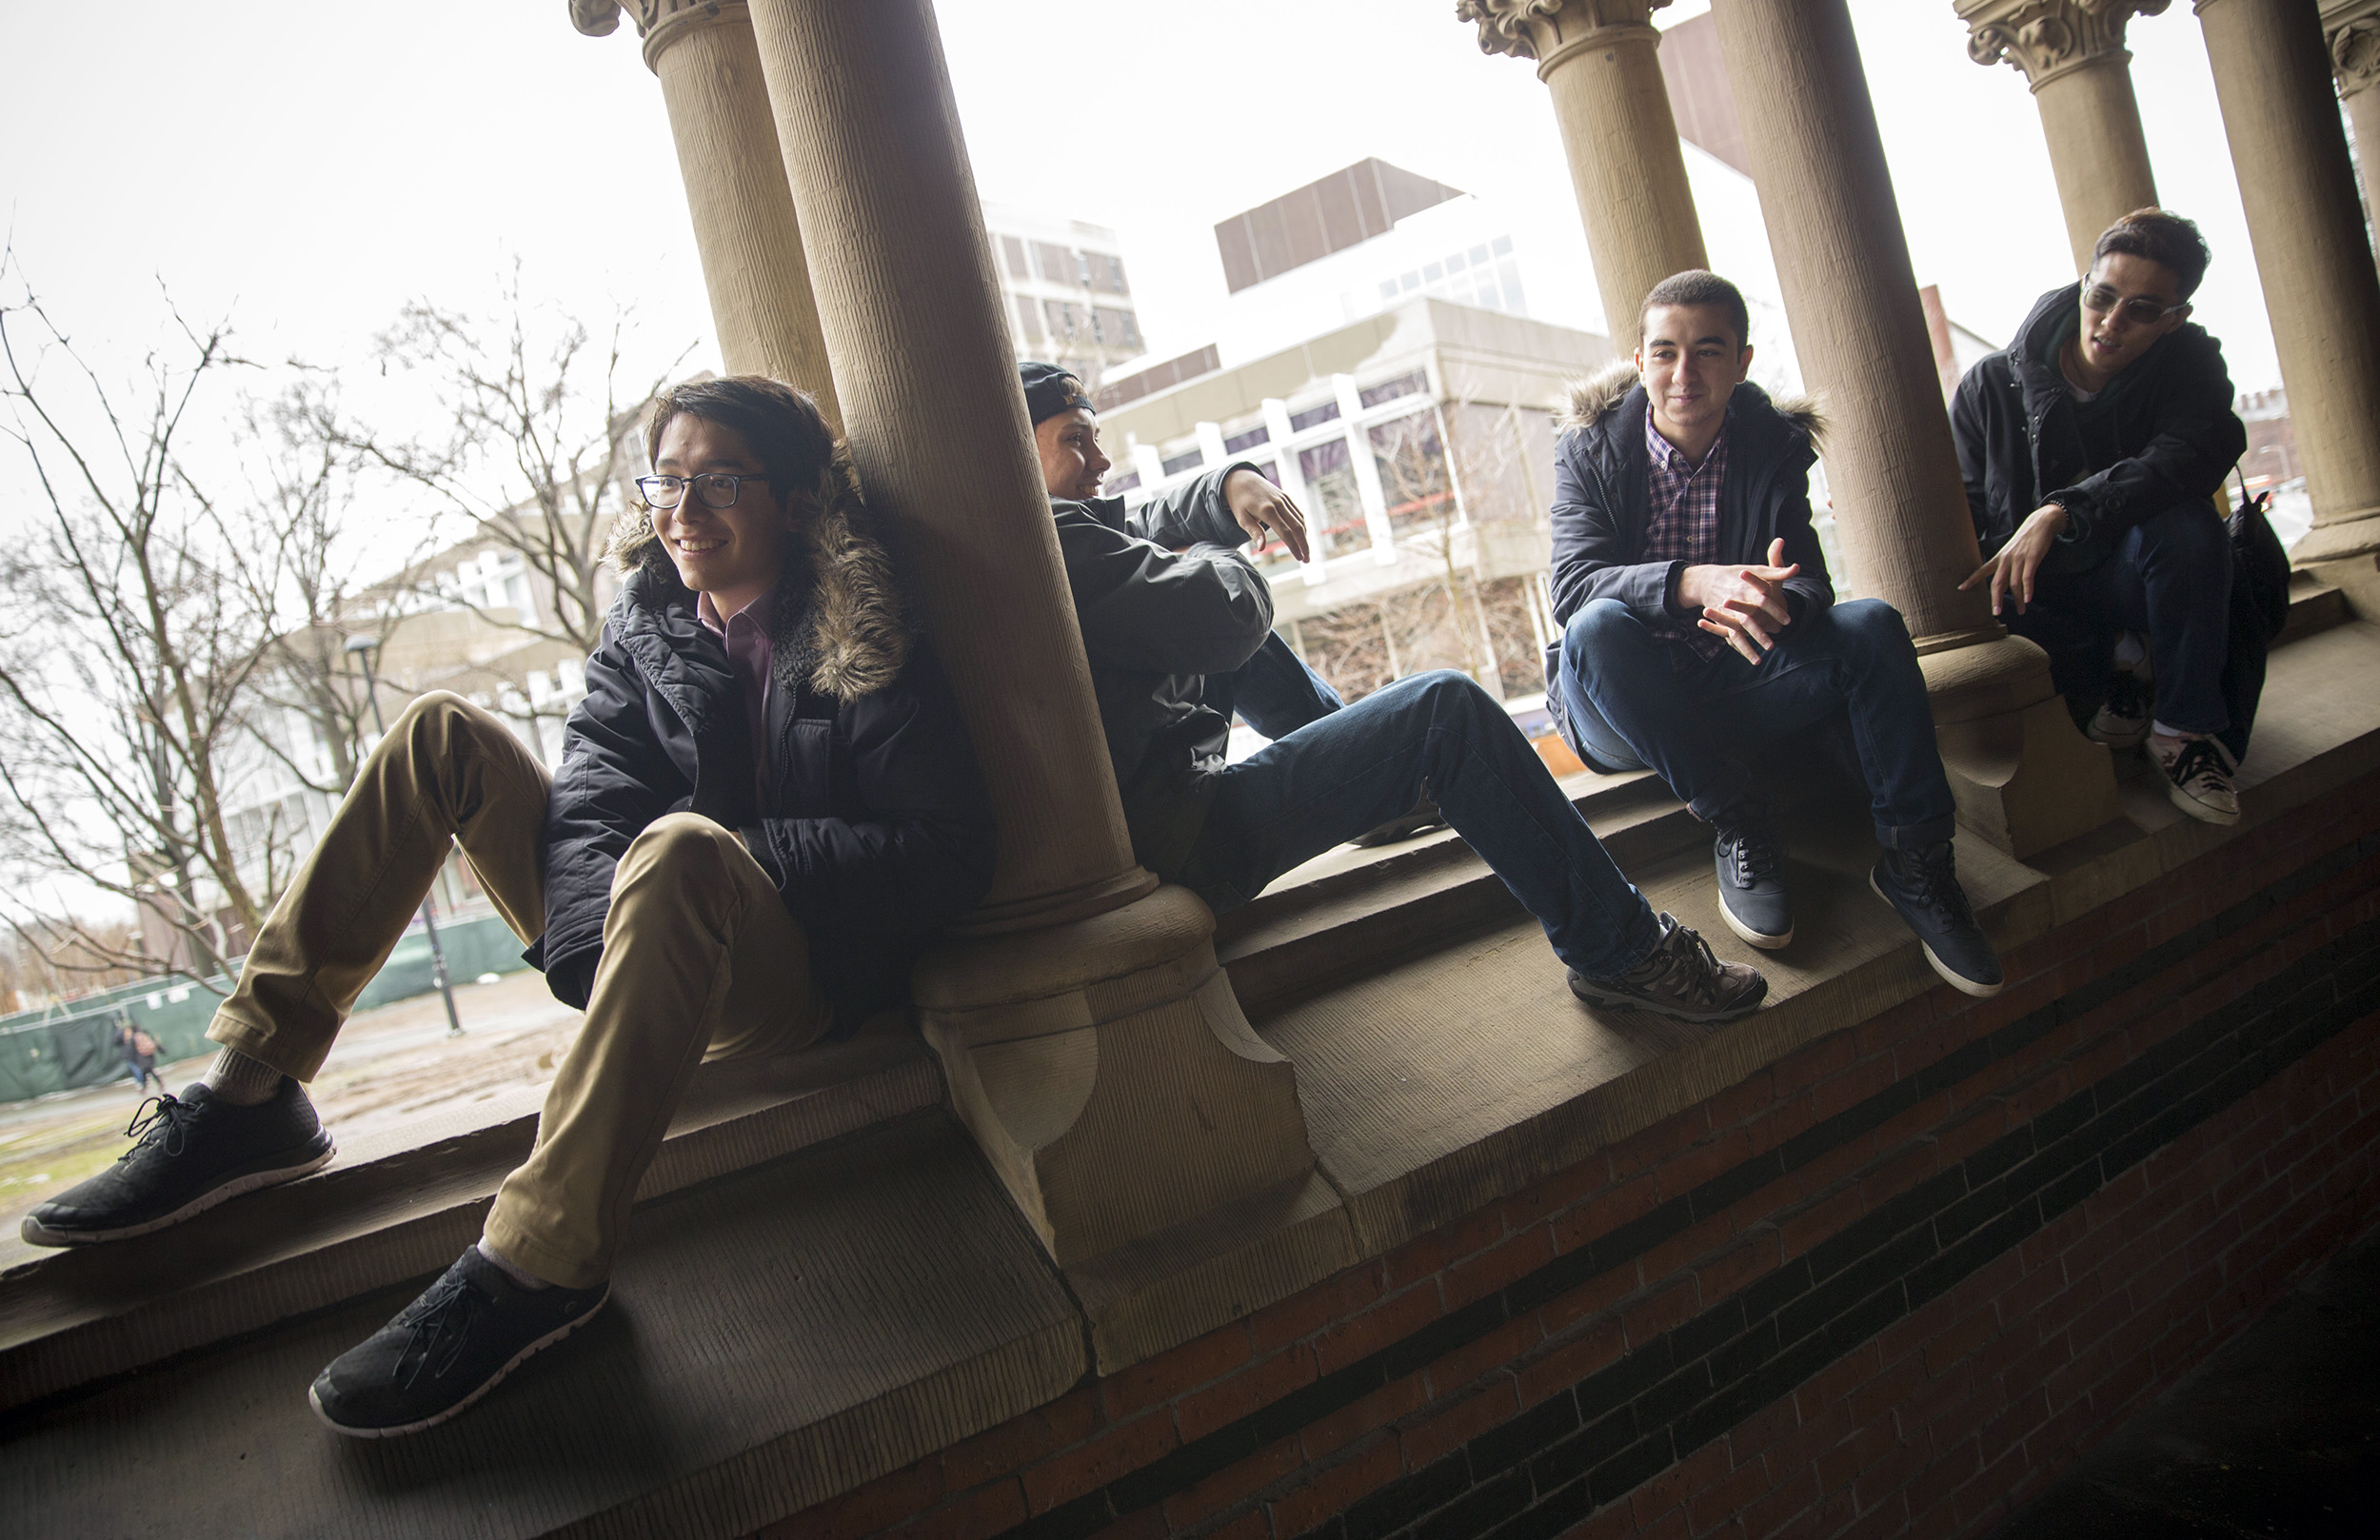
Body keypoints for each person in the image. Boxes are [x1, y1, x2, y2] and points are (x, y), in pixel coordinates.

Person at [19, 377, 997, 1436]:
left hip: (795, 967)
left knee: (679, 847)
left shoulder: (870, 623)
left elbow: (944, 853)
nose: (682, 507)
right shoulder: (650, 627)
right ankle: (254, 1090)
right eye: (666, 479)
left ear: (798, 499)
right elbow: (587, 803)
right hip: (647, 932)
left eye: (719, 479)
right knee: (442, 733)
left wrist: (742, 853)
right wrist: (590, 937)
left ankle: (538, 1262)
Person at [1019, 360, 1767, 1024]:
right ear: (1019, 458)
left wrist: (1225, 485)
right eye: (1075, 440)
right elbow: (1222, 613)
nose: (1102, 457)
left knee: (1201, 620)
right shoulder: (1056, 545)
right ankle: (1625, 953)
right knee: (1446, 709)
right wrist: (1217, 551)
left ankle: (1388, 796)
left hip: (1152, 816)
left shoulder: (1036, 537)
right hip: (1184, 839)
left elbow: (1132, 520)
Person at [1544, 270, 2002, 998]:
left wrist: (1781, 600)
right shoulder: (1590, 449)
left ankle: (1918, 864)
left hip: (1731, 679)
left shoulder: (1771, 446)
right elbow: (1572, 587)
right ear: (1639, 363)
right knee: (1596, 626)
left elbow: (1814, 582)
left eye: (1708, 351)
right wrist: (1691, 581)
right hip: (1621, 705)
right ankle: (1739, 816)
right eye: (1664, 353)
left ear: (1743, 362)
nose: (1683, 373)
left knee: (1874, 623)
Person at [1952, 207, 2251, 825]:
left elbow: (2192, 454)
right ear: (2083, 282)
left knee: (2188, 527)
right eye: (2103, 295)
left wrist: (2062, 509)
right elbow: (1967, 514)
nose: (2110, 322)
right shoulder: (1990, 386)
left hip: (2141, 580)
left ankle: (2180, 732)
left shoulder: (2188, 367)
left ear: (2174, 319)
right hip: (2044, 604)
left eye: (2141, 309)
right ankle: (2123, 660)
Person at [118, 1022, 164, 1096]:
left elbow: (132, 1049)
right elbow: (154, 1043)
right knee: (147, 1072)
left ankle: (154, 1085)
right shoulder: (144, 1034)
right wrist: (162, 1050)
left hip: (142, 1058)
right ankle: (148, 1087)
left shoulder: (134, 1038)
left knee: (147, 1071)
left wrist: (131, 1058)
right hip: (149, 1056)